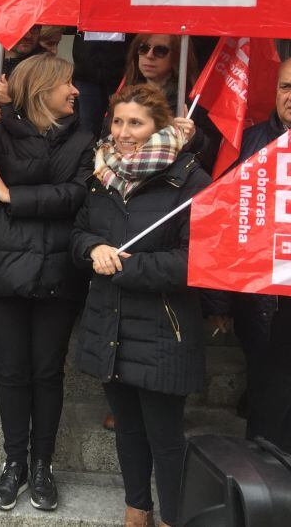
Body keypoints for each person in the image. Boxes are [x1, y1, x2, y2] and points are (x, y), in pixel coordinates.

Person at [0, 54, 94, 511]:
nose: (75, 91)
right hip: (6, 269)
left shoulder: (83, 139)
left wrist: (12, 196)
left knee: (47, 372)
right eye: (66, 84)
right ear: (40, 89)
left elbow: (76, 196)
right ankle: (14, 464)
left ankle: (42, 465)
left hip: (59, 272)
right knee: (13, 373)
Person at [72, 84, 209, 527]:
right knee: (127, 431)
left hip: (162, 331)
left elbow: (195, 260)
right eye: (118, 121)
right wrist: (92, 249)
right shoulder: (101, 174)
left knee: (165, 437)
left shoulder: (188, 179)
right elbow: (79, 233)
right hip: (109, 324)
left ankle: (172, 516)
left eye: (136, 123)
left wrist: (125, 268)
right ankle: (137, 510)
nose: (125, 132)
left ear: (159, 127)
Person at [206, 56, 291, 434]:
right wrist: (219, 301)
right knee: (265, 394)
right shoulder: (249, 143)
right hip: (262, 298)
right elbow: (224, 220)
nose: (290, 96)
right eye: (285, 87)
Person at [116, 33, 217, 172]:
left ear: (177, 57)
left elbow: (213, 157)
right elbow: (105, 141)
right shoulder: (123, 96)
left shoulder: (194, 102)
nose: (149, 55)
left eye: (160, 51)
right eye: (143, 48)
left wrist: (194, 136)